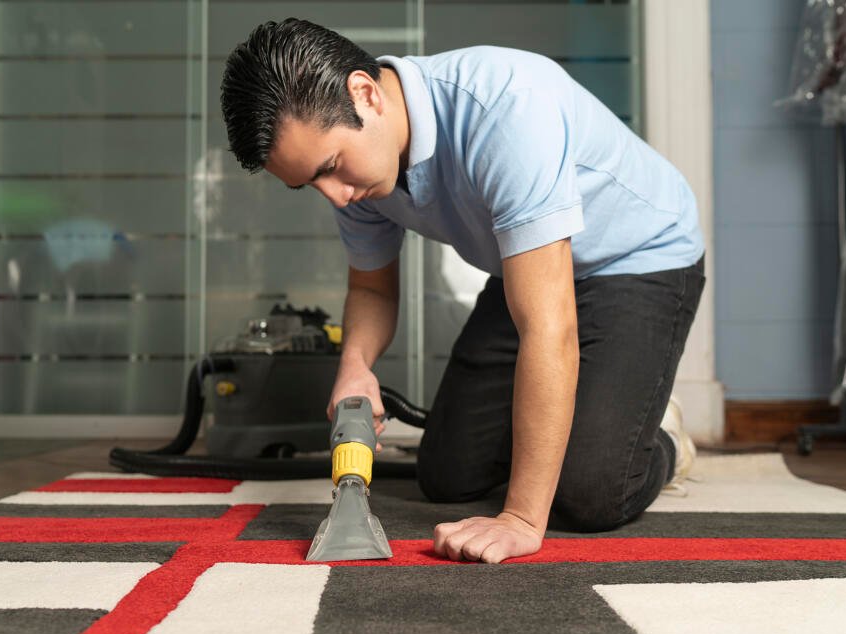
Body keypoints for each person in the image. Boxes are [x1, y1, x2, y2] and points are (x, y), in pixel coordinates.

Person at [220, 18, 706, 564]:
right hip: (525, 267)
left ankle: (658, 432)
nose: (334, 196)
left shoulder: (506, 109)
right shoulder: (361, 173)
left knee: (590, 493)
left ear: (364, 93)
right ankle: (601, 409)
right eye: (310, 182)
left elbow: (550, 328)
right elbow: (374, 289)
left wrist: (520, 519)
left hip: (638, 258)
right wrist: (355, 364)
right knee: (448, 475)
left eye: (331, 167)